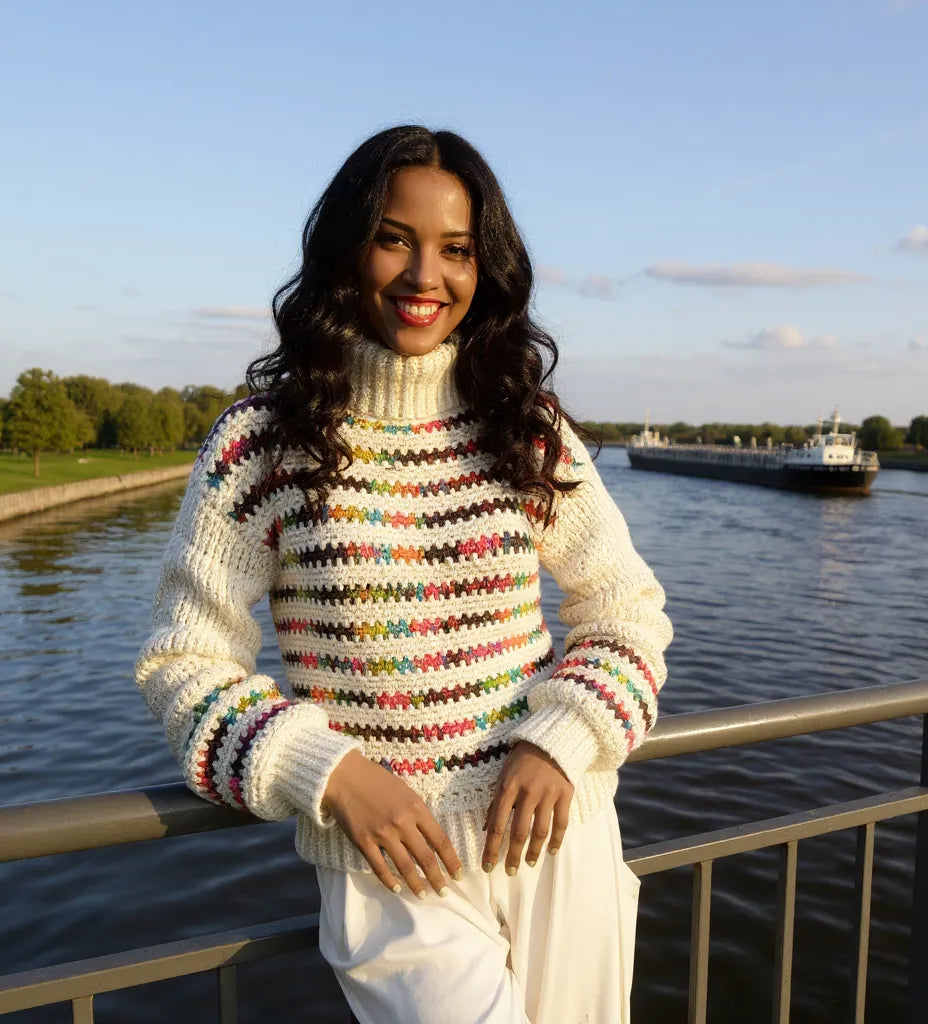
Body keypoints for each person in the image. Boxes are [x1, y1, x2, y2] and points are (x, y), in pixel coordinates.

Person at [136, 125, 672, 1024]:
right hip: (388, 868)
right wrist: (333, 773)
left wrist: (565, 735)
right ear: (347, 249)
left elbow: (629, 610)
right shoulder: (261, 442)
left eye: (456, 251)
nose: (427, 276)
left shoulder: (522, 425)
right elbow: (181, 665)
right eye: (395, 238)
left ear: (483, 268)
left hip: (556, 831)